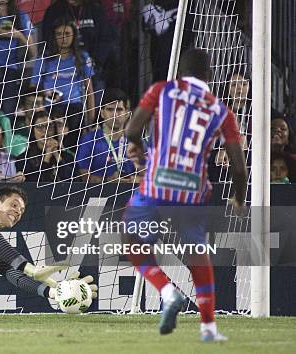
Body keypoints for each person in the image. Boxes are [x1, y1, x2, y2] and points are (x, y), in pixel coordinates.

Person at [122, 48, 247, 342]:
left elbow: (131, 130)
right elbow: (239, 168)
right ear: (210, 76)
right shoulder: (221, 111)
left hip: (157, 183)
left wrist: (139, 149)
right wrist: (239, 198)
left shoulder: (162, 90)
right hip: (192, 189)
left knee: (132, 239)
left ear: (180, 73)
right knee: (197, 253)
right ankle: (208, 328)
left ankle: (167, 292)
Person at [31, 18, 96, 149]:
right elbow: (34, 89)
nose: (63, 38)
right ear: (53, 37)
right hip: (49, 110)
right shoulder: (44, 58)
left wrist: (90, 122)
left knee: (73, 148)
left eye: (67, 33)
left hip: (75, 109)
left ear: (74, 35)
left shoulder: (82, 57)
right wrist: (46, 95)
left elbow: (89, 91)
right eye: (59, 34)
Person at [76, 88, 136, 183]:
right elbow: (82, 177)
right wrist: (109, 181)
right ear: (102, 113)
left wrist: (132, 181)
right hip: (96, 196)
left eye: (119, 110)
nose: (115, 115)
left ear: (127, 114)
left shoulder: (136, 142)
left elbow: (147, 175)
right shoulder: (89, 140)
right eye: (110, 110)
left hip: (130, 195)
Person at [16, 110, 76, 183]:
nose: (45, 130)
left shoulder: (68, 157)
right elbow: (35, 185)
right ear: (33, 131)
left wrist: (57, 155)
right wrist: (47, 158)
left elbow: (72, 182)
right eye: (39, 126)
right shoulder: (23, 160)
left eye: (49, 126)